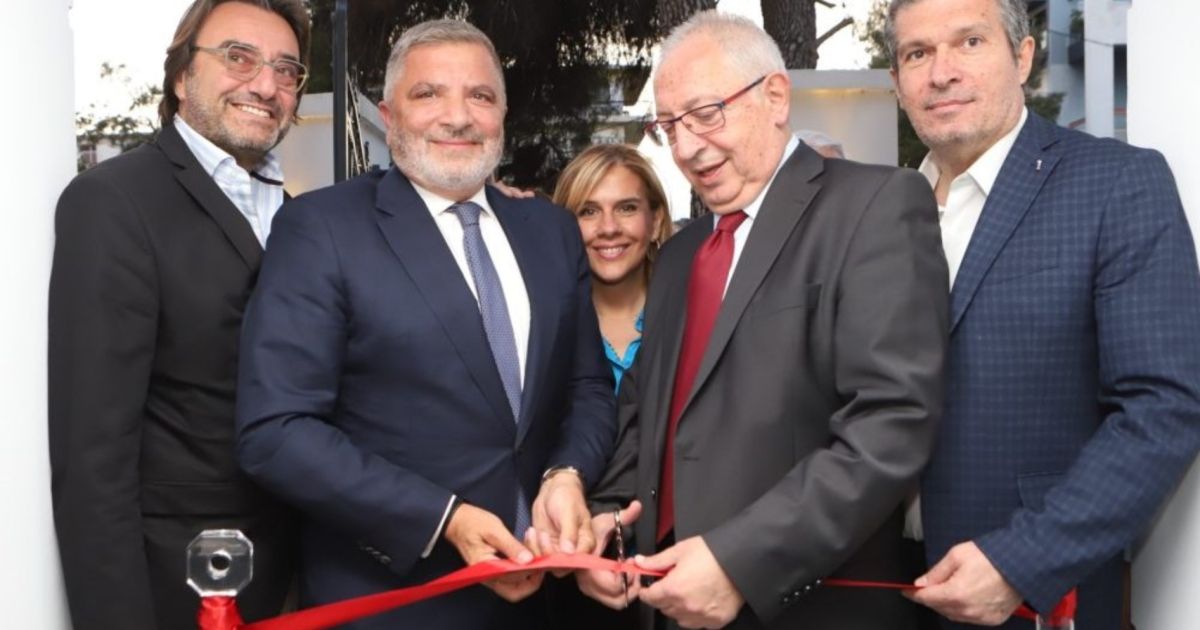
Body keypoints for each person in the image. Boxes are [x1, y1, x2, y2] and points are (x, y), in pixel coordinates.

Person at [234, 19, 616, 629]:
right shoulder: (323, 229)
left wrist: (567, 474)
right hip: (393, 602)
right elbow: (276, 431)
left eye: (480, 96)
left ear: (502, 115)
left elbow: (587, 386)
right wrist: (445, 519)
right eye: (429, 93)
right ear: (389, 116)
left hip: (550, 600)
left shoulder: (550, 231)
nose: (457, 117)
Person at [577, 10, 950, 630]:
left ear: (775, 96)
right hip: (666, 600)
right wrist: (607, 520)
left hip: (805, 607)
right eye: (669, 126)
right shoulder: (680, 254)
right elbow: (646, 412)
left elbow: (891, 423)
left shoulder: (874, 206)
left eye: (705, 114)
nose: (687, 147)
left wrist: (739, 562)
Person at [884, 1, 1200, 628]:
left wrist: (1021, 561)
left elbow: (1163, 405)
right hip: (880, 584)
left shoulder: (1115, 184)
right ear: (897, 81)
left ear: (1023, 57)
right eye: (918, 53)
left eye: (970, 42)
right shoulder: (881, 210)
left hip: (1033, 590)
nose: (941, 72)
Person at [48, 1, 309, 627]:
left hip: (300, 577)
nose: (265, 85)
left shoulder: (300, 215)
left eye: (286, 70)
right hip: (179, 586)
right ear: (181, 76)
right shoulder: (113, 201)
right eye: (239, 58)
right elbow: (94, 456)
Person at [553, 144, 675, 392]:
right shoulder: (545, 328)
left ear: (655, 221)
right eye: (588, 211)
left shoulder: (691, 314)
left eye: (626, 208)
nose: (609, 228)